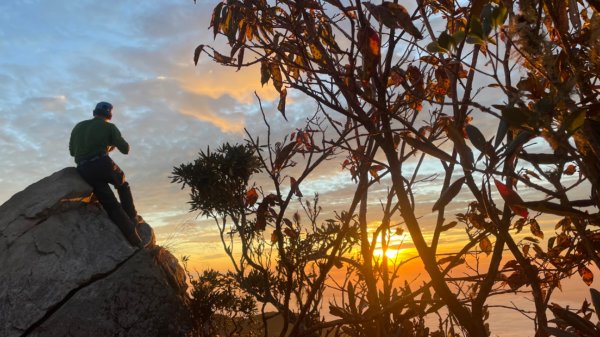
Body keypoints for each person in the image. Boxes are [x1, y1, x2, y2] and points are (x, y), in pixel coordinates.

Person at [69, 101, 143, 248]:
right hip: (103, 163)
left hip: (84, 169)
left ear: (94, 112)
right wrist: (110, 145)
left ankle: (133, 238)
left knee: (111, 205)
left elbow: (73, 152)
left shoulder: (78, 126)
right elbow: (125, 149)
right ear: (109, 115)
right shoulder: (109, 127)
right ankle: (132, 217)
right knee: (122, 185)